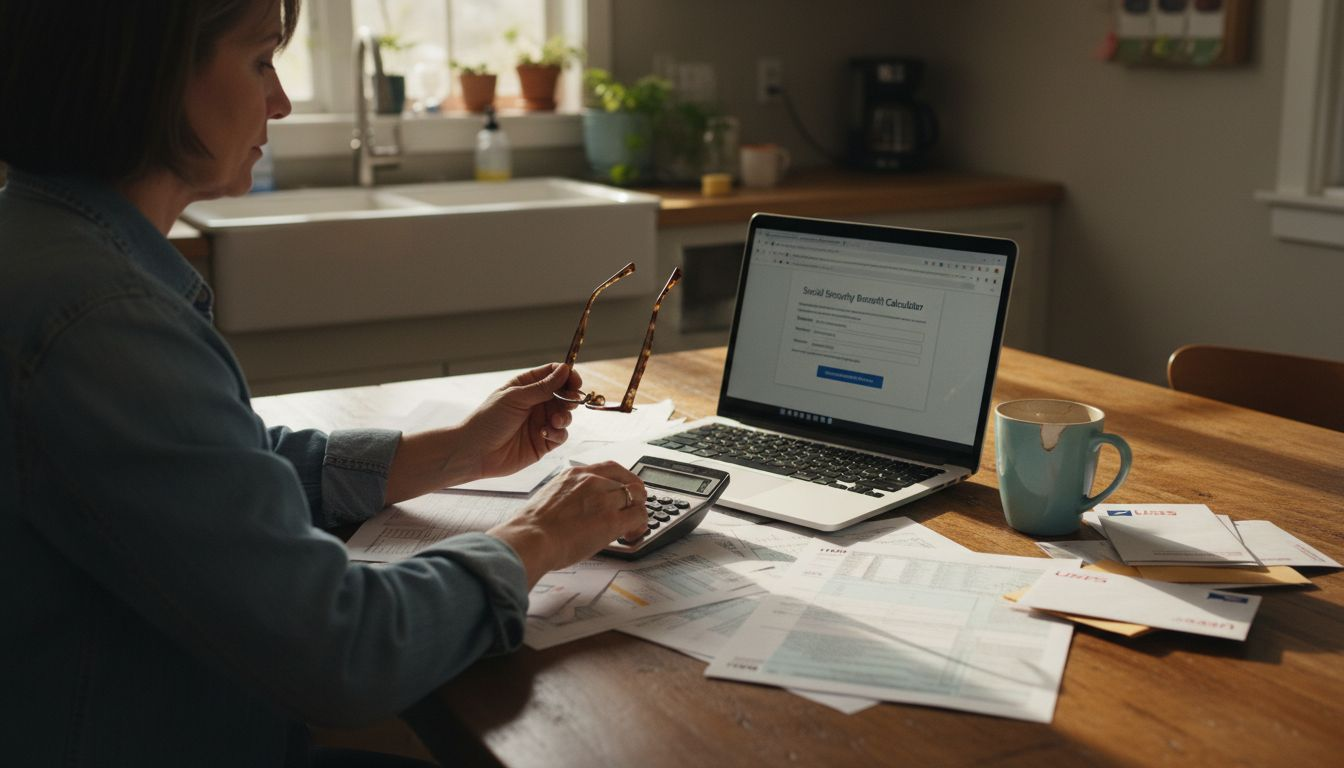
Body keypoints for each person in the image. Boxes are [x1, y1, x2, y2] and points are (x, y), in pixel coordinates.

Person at [0, 1, 649, 765]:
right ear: (155, 73)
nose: (280, 100)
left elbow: (211, 470)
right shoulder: (104, 319)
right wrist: (539, 536)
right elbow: (343, 652)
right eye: (260, 60)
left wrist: (449, 455)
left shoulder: (43, 244)